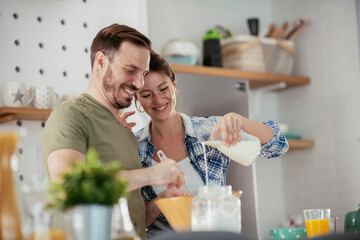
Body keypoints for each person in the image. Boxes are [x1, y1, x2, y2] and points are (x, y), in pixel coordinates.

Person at [119, 52, 289, 236]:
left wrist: (238, 120)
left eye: (163, 89)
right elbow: (131, 220)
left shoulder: (211, 129)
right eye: (146, 94)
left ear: (174, 85)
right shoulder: (134, 146)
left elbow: (278, 145)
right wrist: (161, 202)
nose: (158, 100)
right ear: (137, 99)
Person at [42, 24, 187, 239]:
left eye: (143, 73)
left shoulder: (125, 131)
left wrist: (159, 203)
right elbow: (69, 187)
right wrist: (150, 175)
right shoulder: (71, 115)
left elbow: (131, 219)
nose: (139, 83)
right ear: (101, 62)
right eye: (130, 70)